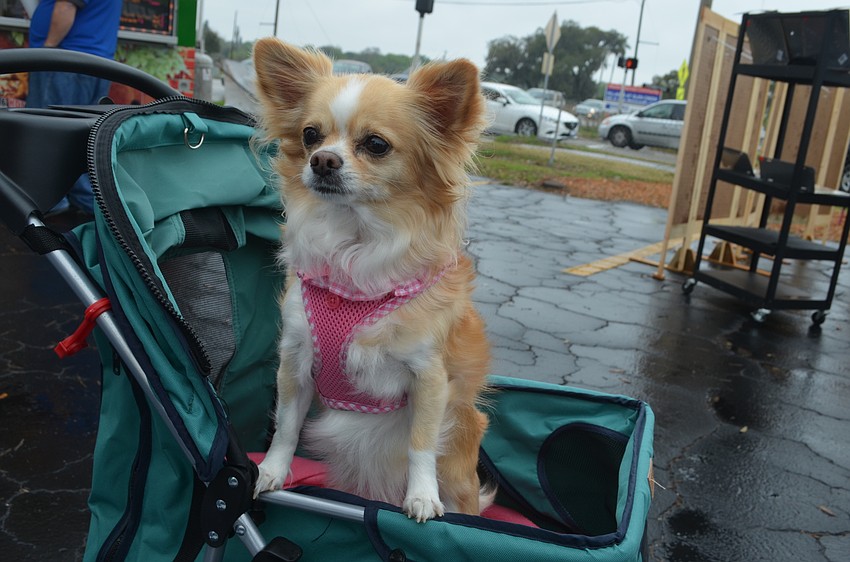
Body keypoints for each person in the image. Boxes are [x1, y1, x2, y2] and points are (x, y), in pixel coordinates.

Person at [27, 0, 124, 214]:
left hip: (65, 59)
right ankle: (84, 200)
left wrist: (47, 49)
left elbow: (66, 7)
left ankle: (49, 199)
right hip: (92, 59)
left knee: (47, 132)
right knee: (83, 135)